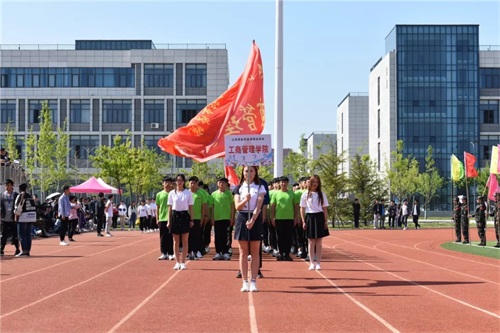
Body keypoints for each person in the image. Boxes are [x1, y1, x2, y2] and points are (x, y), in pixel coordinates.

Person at [233, 166, 266, 292]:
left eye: (251, 171)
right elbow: (237, 207)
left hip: (255, 218)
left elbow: (259, 205)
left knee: (255, 252)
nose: (249, 173)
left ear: (255, 172)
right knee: (243, 252)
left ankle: (253, 281)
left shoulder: (259, 187)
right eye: (246, 170)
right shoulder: (238, 188)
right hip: (242, 218)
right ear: (242, 172)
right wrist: (245, 200)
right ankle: (244, 282)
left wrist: (252, 220)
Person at [300, 175, 330, 270]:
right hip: (310, 217)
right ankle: (311, 262)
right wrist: (303, 221)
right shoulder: (305, 194)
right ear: (310, 183)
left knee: (319, 242)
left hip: (319, 217)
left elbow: (325, 208)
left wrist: (326, 220)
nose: (315, 184)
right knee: (311, 241)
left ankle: (318, 262)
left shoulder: (322, 194)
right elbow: (302, 208)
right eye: (313, 182)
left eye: (317, 182)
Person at [167, 174, 194, 270]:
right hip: (175, 216)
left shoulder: (188, 193)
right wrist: (168, 221)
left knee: (185, 240)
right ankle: (177, 262)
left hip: (184, 216)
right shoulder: (171, 193)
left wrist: (191, 219)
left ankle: (183, 262)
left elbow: (191, 207)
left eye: (181, 180)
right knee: (176, 241)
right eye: (178, 180)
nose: (179, 182)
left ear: (184, 182)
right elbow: (169, 208)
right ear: (175, 181)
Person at [270, 176, 298, 261]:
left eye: (285, 182)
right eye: (282, 182)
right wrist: (272, 217)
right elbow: (272, 206)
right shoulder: (276, 193)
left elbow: (296, 206)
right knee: (280, 237)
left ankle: (287, 253)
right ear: (279, 183)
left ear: (287, 183)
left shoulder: (292, 194)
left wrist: (296, 217)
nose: (283, 184)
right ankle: (281, 253)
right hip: (279, 218)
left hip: (290, 218)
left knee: (288, 237)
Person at [211, 177, 234, 260]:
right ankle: (218, 252)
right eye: (220, 182)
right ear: (217, 184)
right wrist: (212, 218)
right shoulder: (213, 194)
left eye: (223, 182)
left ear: (226, 184)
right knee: (217, 236)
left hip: (226, 218)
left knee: (226, 236)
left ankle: (225, 252)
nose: (221, 184)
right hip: (217, 218)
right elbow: (212, 207)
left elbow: (232, 207)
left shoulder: (229, 194)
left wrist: (232, 218)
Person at [15, 183, 36, 256]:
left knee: (21, 234)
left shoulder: (20, 196)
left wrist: (16, 214)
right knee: (28, 234)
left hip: (23, 217)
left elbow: (18, 207)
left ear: (19, 188)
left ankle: (24, 250)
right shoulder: (30, 196)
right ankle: (27, 250)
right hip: (31, 217)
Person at [156, 176, 175, 260]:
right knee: (163, 237)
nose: (167, 184)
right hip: (162, 218)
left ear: (171, 184)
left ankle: (170, 253)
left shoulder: (173, 193)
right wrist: (157, 218)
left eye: (169, 182)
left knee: (170, 236)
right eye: (165, 182)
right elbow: (158, 207)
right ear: (163, 183)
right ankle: (164, 253)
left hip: (171, 218)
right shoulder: (159, 194)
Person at [1, 179, 20, 256]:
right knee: (3, 235)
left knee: (15, 235)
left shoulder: (16, 195)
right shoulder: (2, 195)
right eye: (6, 185)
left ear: (12, 186)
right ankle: (1, 249)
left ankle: (17, 249)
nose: (6, 187)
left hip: (13, 219)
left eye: (8, 185)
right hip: (4, 218)